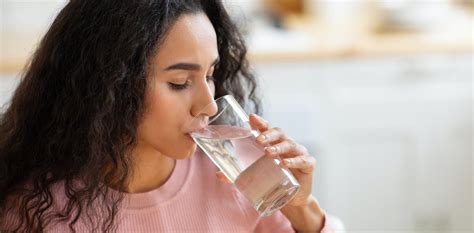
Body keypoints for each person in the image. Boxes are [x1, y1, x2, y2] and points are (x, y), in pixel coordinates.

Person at [0, 0, 337, 232]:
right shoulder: (39, 211)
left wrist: (301, 210)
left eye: (210, 74)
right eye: (179, 83)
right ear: (110, 84)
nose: (208, 105)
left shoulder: (238, 179)